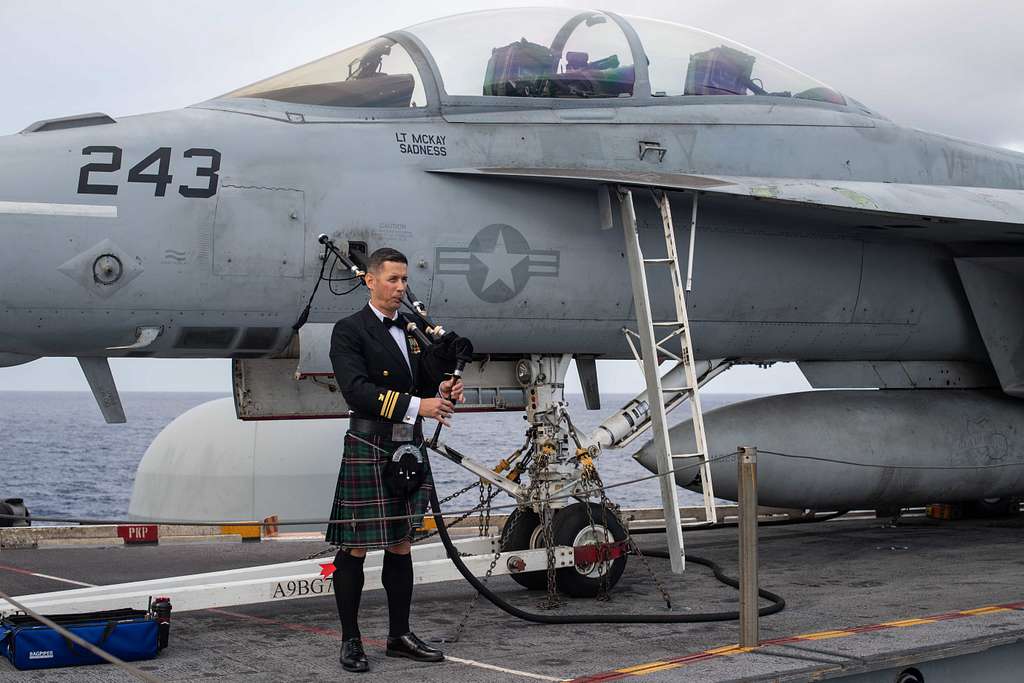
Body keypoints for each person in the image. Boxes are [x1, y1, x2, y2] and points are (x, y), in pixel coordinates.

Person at [326, 247, 464, 674]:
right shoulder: (349, 330)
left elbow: (423, 384)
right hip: (370, 443)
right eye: (393, 279)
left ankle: (399, 635)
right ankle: (351, 641)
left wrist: (442, 391)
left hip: (406, 443)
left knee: (401, 541)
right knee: (354, 546)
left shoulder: (411, 329)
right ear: (370, 281)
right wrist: (418, 406)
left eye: (405, 280)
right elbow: (357, 391)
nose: (401, 287)